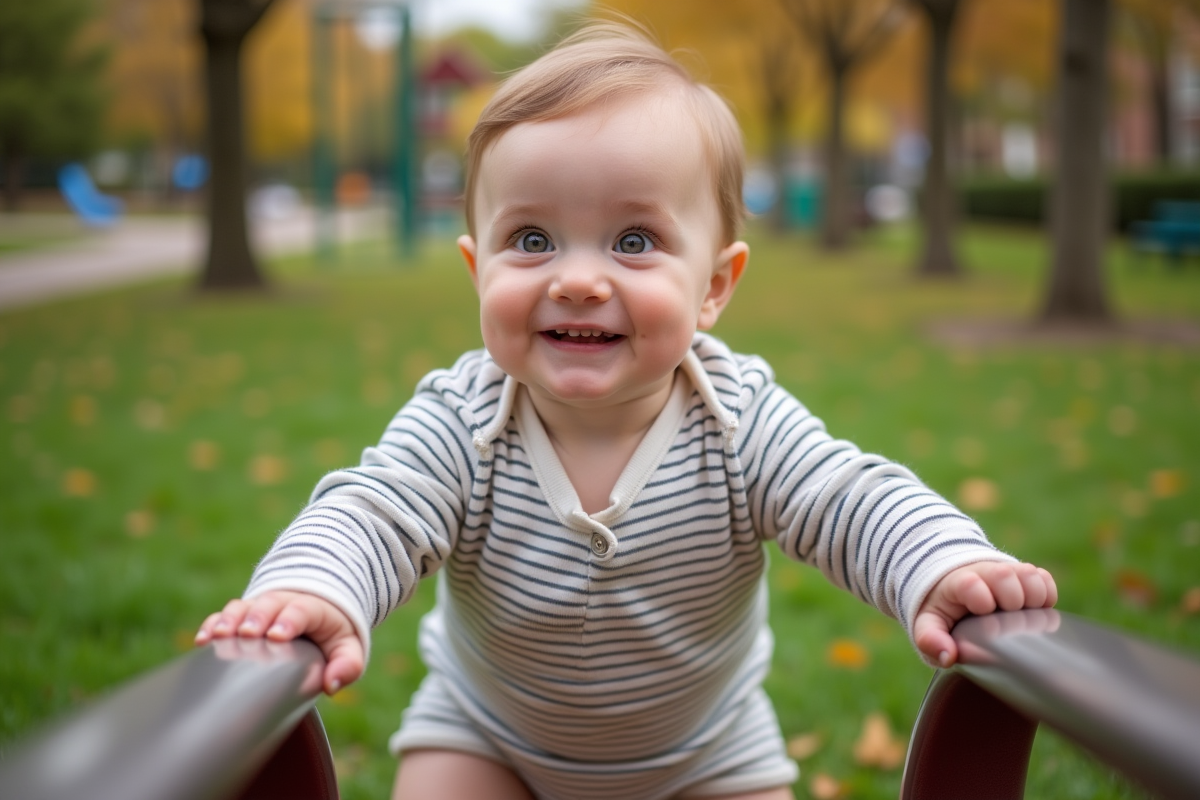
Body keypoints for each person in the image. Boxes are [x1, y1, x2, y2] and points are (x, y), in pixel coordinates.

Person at [195, 22, 1057, 800]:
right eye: (531, 241)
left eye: (633, 241)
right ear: (476, 271)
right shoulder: (461, 421)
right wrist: (312, 588)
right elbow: (371, 512)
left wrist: (941, 563)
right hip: (487, 739)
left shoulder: (740, 420)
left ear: (714, 286)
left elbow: (848, 499)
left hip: (708, 753)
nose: (576, 278)